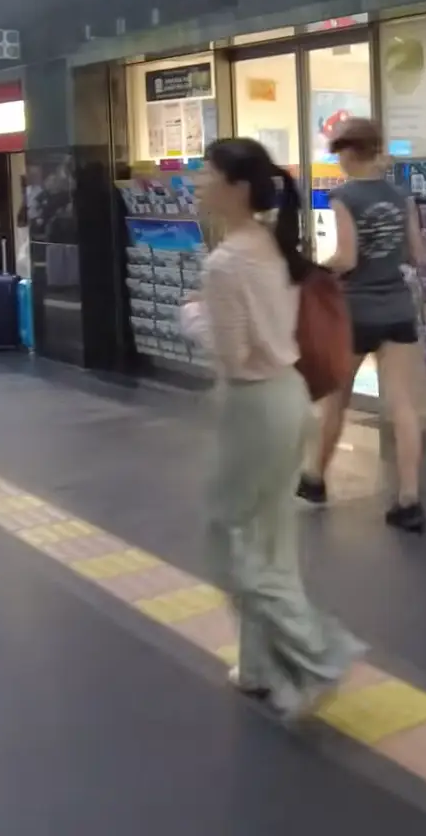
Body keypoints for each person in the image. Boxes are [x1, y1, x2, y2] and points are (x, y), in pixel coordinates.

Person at [178, 137, 361, 720]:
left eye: (206, 175)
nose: (196, 183)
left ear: (235, 188)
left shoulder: (225, 262)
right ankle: (259, 667)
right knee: (269, 538)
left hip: (254, 403)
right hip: (289, 399)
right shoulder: (272, 246)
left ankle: (317, 652)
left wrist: (192, 317)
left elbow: (231, 356)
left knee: (228, 539)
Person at [302, 117, 426, 533]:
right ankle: (408, 500)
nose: (336, 160)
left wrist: (316, 271)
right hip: (397, 308)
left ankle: (315, 479)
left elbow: (348, 258)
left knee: (337, 400)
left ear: (350, 152)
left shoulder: (344, 197)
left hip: (355, 312)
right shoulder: (399, 196)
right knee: (404, 406)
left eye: (337, 151)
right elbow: (418, 255)